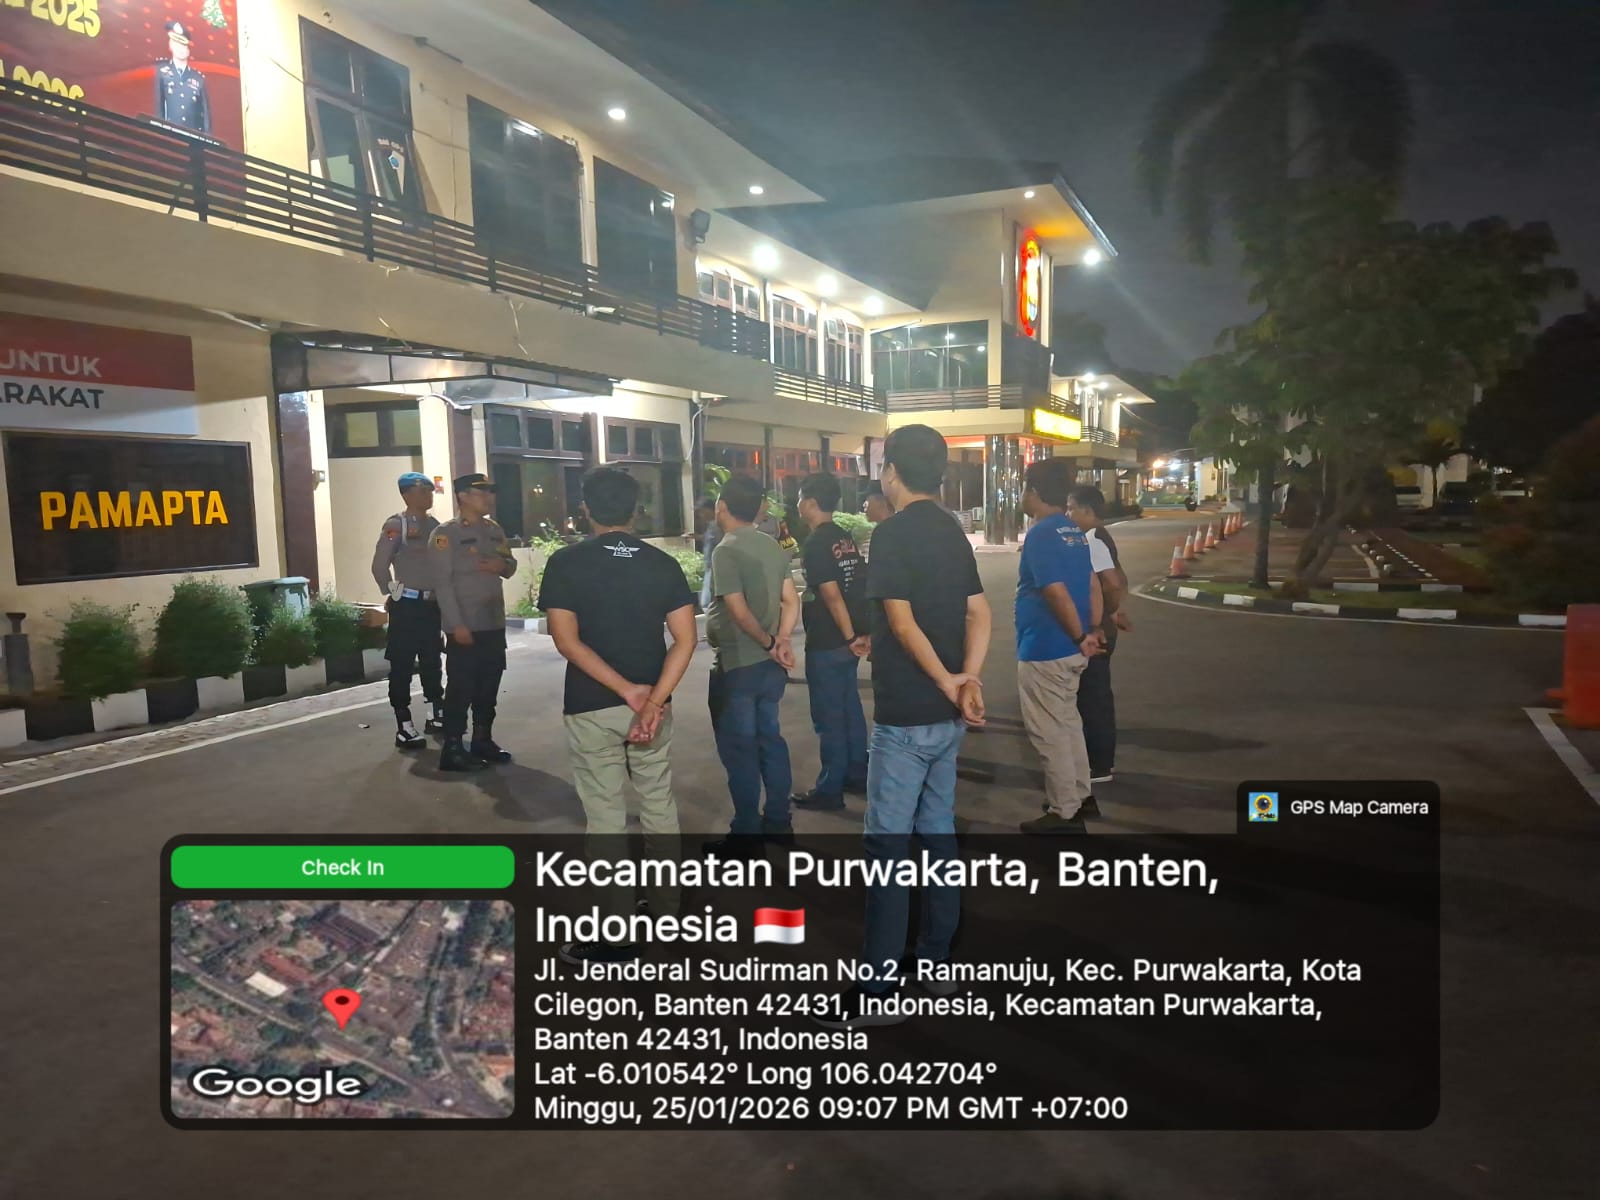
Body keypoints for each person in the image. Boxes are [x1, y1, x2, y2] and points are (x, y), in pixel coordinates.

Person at [814, 425, 990, 1031]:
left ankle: (880, 987)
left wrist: (945, 680)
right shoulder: (951, 529)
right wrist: (967, 679)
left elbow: (901, 620)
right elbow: (979, 612)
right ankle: (936, 959)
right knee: (937, 834)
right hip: (946, 719)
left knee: (887, 849)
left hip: (907, 716)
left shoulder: (891, 533)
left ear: (891, 471)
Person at [538, 468, 699, 967]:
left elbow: (566, 640)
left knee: (605, 816)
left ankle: (618, 933)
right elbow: (686, 639)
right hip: (654, 706)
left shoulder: (566, 563)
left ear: (586, 509)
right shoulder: (662, 564)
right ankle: (667, 909)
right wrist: (652, 700)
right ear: (636, 511)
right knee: (658, 803)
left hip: (592, 705)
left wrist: (626, 692)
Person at [703, 474, 800, 856]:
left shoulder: (726, 550)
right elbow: (791, 600)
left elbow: (737, 609)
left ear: (722, 507)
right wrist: (782, 641)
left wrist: (769, 642)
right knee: (770, 741)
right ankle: (778, 822)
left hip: (738, 665)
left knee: (740, 750)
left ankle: (746, 834)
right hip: (769, 667)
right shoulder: (771, 545)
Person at [1016, 461, 1106, 835]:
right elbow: (1092, 584)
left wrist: (1079, 635)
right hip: (1071, 648)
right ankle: (1080, 796)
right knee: (1068, 724)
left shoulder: (1041, 533)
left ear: (1034, 492)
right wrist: (1092, 629)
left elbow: (1054, 590)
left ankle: (1064, 812)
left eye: (1024, 488)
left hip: (1047, 648)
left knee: (1049, 732)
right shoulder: (1073, 531)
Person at [790, 472, 870, 812]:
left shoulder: (816, 543)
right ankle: (856, 773)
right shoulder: (843, 537)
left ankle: (830, 789)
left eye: (799, 498)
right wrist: (862, 633)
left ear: (810, 503)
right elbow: (860, 584)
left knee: (829, 717)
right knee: (849, 708)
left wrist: (850, 635)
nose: (797, 505)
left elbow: (832, 595)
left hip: (829, 641)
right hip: (849, 641)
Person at [428, 473, 518, 772]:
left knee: (489, 684)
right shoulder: (445, 534)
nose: (489, 497)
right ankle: (453, 747)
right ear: (463, 496)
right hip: (465, 624)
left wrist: (501, 565)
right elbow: (442, 583)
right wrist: (456, 625)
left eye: (490, 492)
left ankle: (482, 739)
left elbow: (510, 565)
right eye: (482, 492)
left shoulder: (494, 530)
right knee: (461, 687)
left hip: (492, 621)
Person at [371, 472, 445, 750]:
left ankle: (435, 713)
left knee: (432, 661)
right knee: (402, 664)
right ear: (406, 494)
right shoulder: (396, 525)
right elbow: (380, 565)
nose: (428, 495)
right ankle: (404, 724)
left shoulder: (436, 526)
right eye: (422, 490)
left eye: (430, 490)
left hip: (431, 605)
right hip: (407, 606)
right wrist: (391, 592)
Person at [1067, 485, 1131, 784]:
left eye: (1071, 508)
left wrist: (1107, 613)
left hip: (1098, 630)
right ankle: (1098, 760)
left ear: (1087, 511)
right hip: (1103, 625)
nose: (1068, 514)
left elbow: (1114, 583)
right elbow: (1120, 578)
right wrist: (1114, 612)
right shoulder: (1101, 536)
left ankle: (1100, 765)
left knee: (1094, 697)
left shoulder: (1092, 540)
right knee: (1094, 694)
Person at [154, 21, 212, 136]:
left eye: (183, 45)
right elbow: (159, 109)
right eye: (177, 44)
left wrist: (207, 139)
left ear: (188, 50)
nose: (180, 49)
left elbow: (205, 115)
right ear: (171, 45)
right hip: (170, 135)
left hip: (193, 137)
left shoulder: (198, 78)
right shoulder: (162, 72)